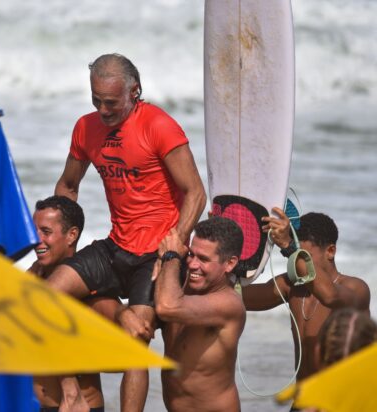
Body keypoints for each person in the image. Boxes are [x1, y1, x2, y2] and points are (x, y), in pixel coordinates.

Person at [48, 53, 206, 411]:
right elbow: (68, 185)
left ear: (135, 92)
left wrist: (172, 250)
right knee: (45, 296)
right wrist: (64, 239)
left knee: (136, 343)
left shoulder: (160, 126)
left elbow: (196, 193)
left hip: (155, 252)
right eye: (96, 100)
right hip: (115, 245)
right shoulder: (86, 128)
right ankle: (71, 394)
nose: (102, 110)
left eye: (111, 102)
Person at [242, 208, 371, 384]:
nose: (298, 262)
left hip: (342, 401)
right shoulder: (292, 286)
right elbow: (237, 298)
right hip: (304, 398)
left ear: (331, 251)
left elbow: (329, 296)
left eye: (304, 256)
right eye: (297, 255)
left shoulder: (356, 288)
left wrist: (289, 247)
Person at [29, 195, 121, 412]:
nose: (36, 239)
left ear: (71, 235)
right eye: (34, 231)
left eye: (46, 232)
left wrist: (76, 360)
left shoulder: (89, 290)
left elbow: (132, 355)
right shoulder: (34, 280)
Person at [154, 218, 246, 412]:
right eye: (190, 254)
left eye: (203, 259)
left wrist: (170, 257)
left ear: (230, 263)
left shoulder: (229, 304)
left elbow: (166, 307)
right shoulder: (182, 284)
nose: (193, 265)